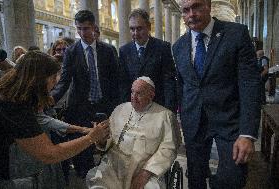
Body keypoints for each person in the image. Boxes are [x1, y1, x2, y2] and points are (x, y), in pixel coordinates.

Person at [172, 0, 261, 188]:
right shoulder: (178, 46)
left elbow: (249, 83)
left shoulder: (236, 34)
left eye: (196, 7)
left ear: (209, 5)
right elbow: (183, 86)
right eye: (186, 10)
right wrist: (180, 115)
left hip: (230, 122)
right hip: (194, 123)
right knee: (196, 179)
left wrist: (247, 133)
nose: (191, 14)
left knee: (232, 179)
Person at [0, 51, 110, 188]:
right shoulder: (13, 105)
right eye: (53, 77)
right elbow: (49, 154)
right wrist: (91, 137)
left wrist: (84, 130)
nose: (55, 82)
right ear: (39, 79)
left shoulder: (10, 95)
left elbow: (42, 120)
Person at [51, 10, 119, 178]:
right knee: (83, 151)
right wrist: (49, 99)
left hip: (104, 105)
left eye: (86, 28)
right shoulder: (71, 52)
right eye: (79, 29)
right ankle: (85, 177)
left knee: (109, 145)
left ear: (94, 27)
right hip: (80, 107)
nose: (83, 33)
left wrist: (119, 107)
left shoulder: (108, 50)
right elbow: (64, 81)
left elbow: (115, 81)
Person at [86, 76, 180, 189]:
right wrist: (102, 141)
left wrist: (146, 173)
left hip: (145, 167)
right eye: (132, 92)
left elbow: (168, 149)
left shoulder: (165, 116)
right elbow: (109, 139)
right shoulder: (120, 109)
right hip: (115, 164)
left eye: (139, 93)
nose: (133, 98)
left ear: (151, 95)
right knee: (98, 180)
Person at [118, 8, 177, 112]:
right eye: (132, 29)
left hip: (158, 107)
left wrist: (169, 110)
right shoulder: (124, 51)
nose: (135, 33)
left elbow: (168, 82)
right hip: (134, 109)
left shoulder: (163, 48)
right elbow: (123, 83)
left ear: (149, 27)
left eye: (139, 28)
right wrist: (125, 109)